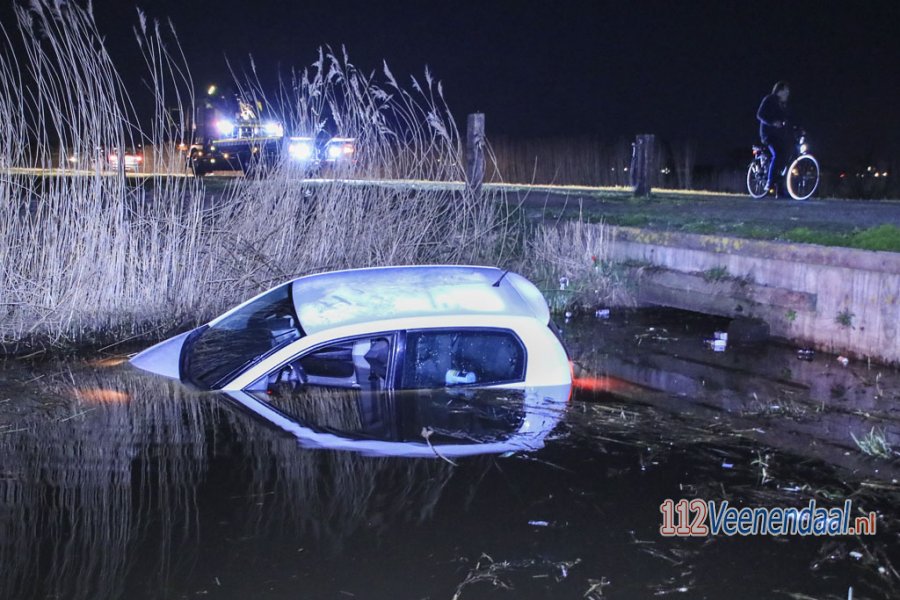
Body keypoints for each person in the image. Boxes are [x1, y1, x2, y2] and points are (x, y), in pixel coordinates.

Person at [757, 81, 792, 198]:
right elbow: (760, 114)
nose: (788, 93)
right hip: (768, 135)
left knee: (785, 158)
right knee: (777, 154)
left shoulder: (783, 105)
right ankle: (769, 183)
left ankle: (780, 190)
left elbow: (788, 121)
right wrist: (772, 123)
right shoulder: (769, 100)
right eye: (786, 90)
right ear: (780, 91)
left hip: (779, 136)